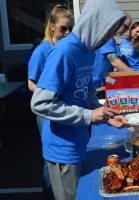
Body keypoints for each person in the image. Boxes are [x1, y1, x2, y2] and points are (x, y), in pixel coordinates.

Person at [30, 0, 127, 199]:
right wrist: (89, 115)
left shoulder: (88, 52)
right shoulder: (63, 52)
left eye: (112, 33)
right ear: (94, 24)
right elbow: (39, 103)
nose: (107, 38)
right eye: (107, 31)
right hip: (62, 150)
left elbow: (87, 91)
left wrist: (106, 115)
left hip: (80, 142)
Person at [27, 5, 73, 200]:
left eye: (71, 28)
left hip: (62, 108)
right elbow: (31, 84)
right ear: (53, 27)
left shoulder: (65, 48)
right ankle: (49, 194)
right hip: (46, 111)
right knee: (51, 158)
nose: (68, 32)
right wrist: (52, 92)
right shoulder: (42, 50)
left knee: (62, 156)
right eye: (64, 28)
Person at [92, 13, 133, 91]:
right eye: (125, 26)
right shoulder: (106, 37)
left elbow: (114, 68)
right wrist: (136, 76)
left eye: (127, 29)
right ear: (117, 21)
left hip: (102, 82)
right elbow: (114, 61)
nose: (125, 30)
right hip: (93, 84)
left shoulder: (112, 40)